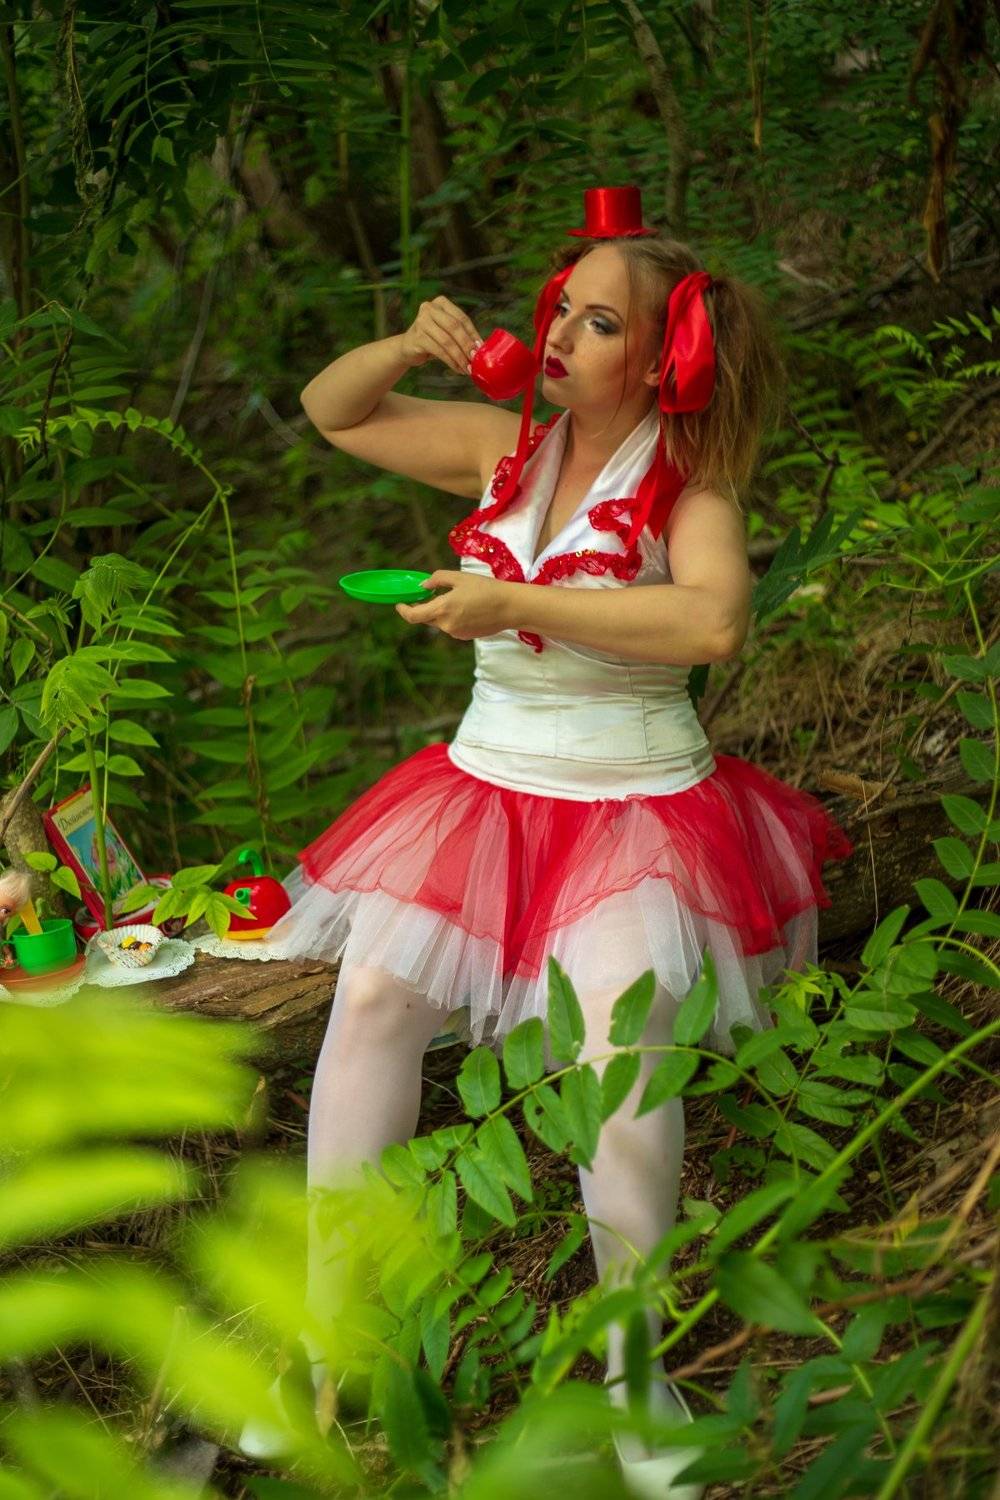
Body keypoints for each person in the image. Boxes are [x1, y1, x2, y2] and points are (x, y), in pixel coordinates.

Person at [240, 186, 855, 1495]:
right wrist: (404, 345)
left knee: (621, 1060)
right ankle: (324, 1340)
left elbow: (713, 623)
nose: (562, 336)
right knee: (374, 1000)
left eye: (599, 322)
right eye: (560, 310)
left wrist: (513, 599)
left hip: (637, 813)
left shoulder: (690, 487)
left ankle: (636, 1379)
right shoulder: (502, 446)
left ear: (664, 356)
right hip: (482, 794)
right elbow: (332, 413)